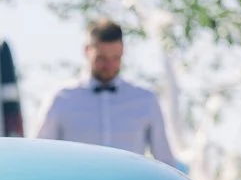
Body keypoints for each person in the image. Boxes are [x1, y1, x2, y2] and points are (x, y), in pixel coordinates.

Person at [34, 17, 177, 167]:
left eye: (115, 58)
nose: (109, 65)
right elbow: (40, 157)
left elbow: (165, 161)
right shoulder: (61, 99)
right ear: (87, 51)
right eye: (101, 58)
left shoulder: (146, 100)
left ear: (123, 52)